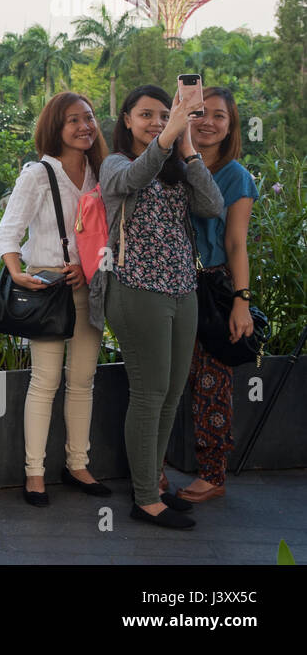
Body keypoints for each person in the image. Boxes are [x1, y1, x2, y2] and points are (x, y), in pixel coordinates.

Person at [89, 84, 223, 530]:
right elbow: (129, 182)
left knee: (170, 394)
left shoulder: (175, 166)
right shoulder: (115, 164)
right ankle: (144, 498)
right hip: (136, 289)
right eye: (146, 115)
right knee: (148, 395)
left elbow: (213, 205)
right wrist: (168, 141)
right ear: (126, 119)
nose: (157, 123)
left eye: (166, 115)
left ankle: (156, 484)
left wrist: (186, 150)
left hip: (183, 290)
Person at [0, 92, 110, 507]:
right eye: (73, 120)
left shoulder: (103, 171)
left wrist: (92, 266)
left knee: (83, 382)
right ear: (55, 128)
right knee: (45, 382)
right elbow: (8, 232)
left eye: (89, 118)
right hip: (47, 293)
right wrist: (17, 271)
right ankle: (35, 474)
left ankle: (77, 465)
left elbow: (108, 234)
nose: (85, 127)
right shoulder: (38, 173)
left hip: (88, 292)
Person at [179, 87, 258, 503]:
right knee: (163, 380)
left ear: (231, 127)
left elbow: (235, 243)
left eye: (220, 117)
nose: (209, 121)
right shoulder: (168, 164)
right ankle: (151, 470)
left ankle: (212, 472)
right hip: (166, 282)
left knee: (213, 379)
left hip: (212, 287)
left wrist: (241, 302)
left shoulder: (236, 175)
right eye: (201, 112)